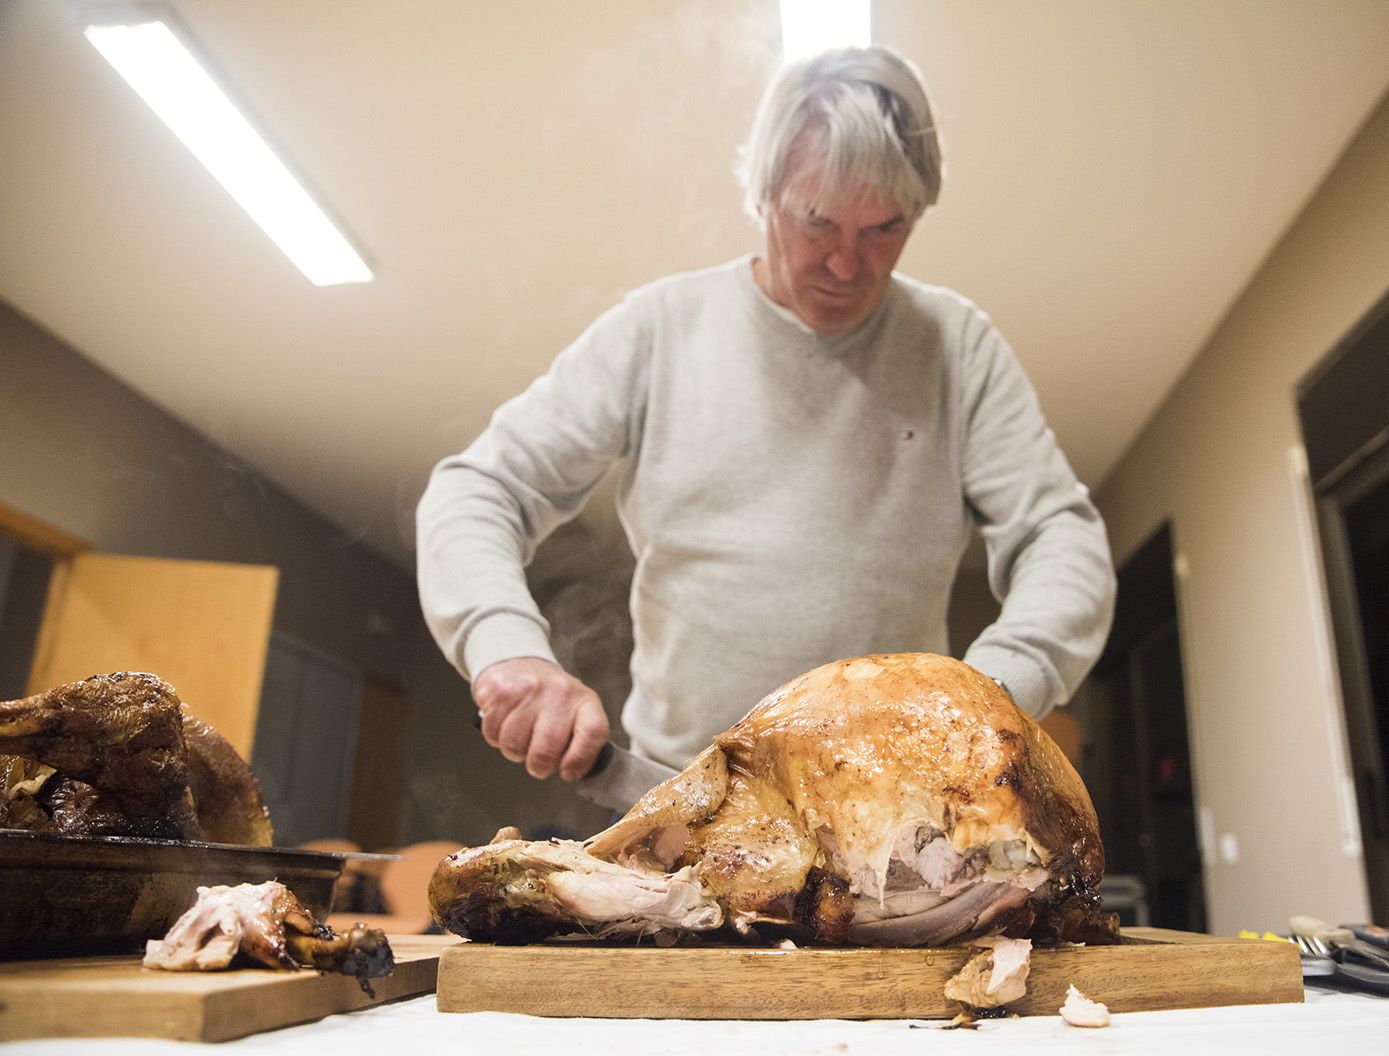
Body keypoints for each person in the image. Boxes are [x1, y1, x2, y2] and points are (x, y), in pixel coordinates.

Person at [416, 45, 1115, 787]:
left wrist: (987, 696)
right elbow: (478, 489)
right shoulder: (661, 329)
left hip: (885, 811)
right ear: (763, 193)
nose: (848, 264)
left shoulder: (957, 347)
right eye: (818, 222)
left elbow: (1060, 539)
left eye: (884, 229)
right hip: (678, 805)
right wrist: (508, 648)